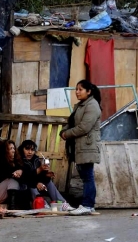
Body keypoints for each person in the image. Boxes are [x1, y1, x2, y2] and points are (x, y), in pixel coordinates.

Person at [59, 79, 102, 215]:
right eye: (76, 89)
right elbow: (72, 122)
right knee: (85, 176)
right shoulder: (80, 105)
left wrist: (67, 134)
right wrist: (64, 131)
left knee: (87, 176)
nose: (77, 92)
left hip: (87, 146)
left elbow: (84, 127)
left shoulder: (92, 106)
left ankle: (88, 205)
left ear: (88, 92)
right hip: (80, 146)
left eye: (80, 89)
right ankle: (87, 204)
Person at [18, 139, 76, 211]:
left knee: (48, 182)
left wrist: (46, 175)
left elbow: (38, 176)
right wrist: (37, 181)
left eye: (32, 150)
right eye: (27, 149)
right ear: (22, 149)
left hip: (34, 183)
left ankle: (63, 204)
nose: (30, 152)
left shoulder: (35, 160)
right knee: (32, 185)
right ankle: (43, 204)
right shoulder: (19, 160)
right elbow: (24, 177)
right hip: (24, 187)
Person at [0, 139, 28, 210]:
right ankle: (11, 209)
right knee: (12, 181)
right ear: (4, 151)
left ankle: (15, 206)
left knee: (21, 184)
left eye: (13, 148)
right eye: (10, 149)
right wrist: (13, 174)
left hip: (3, 195)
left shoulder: (16, 162)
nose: (13, 151)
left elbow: (26, 173)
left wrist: (21, 171)